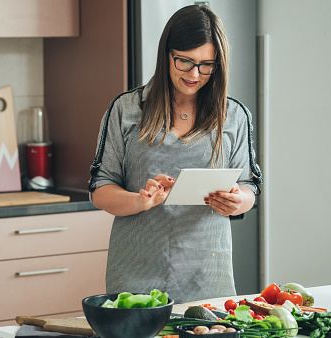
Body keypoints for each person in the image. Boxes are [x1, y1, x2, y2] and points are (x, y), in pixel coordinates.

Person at [88, 4, 263, 304]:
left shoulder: (234, 116)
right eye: (185, 62)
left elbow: (250, 186)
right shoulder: (125, 110)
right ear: (166, 53)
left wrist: (237, 201)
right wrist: (139, 201)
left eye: (207, 65)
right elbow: (99, 188)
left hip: (209, 278)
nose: (195, 74)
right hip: (136, 279)